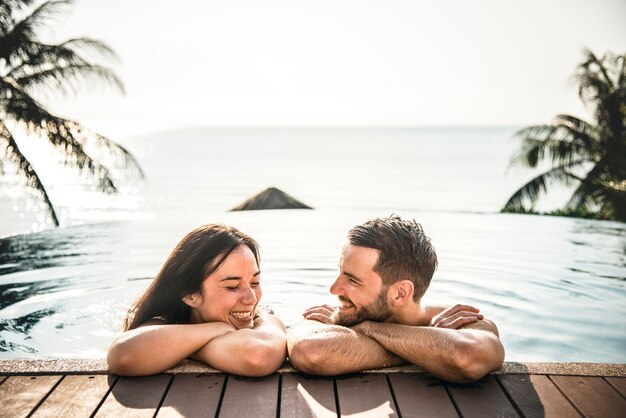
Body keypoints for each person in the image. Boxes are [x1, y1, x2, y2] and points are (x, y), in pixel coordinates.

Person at [287, 215, 505, 383]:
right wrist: (429, 347)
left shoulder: (461, 319)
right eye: (340, 273)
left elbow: (467, 357)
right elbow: (310, 350)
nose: (334, 289)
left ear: (400, 293)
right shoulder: (335, 315)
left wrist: (369, 329)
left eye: (353, 280)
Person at [107, 224, 287, 376]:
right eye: (232, 286)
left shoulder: (263, 317)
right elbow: (123, 355)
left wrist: (188, 349)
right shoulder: (165, 322)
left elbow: (258, 354)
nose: (251, 298)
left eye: (255, 282)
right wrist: (217, 329)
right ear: (190, 295)